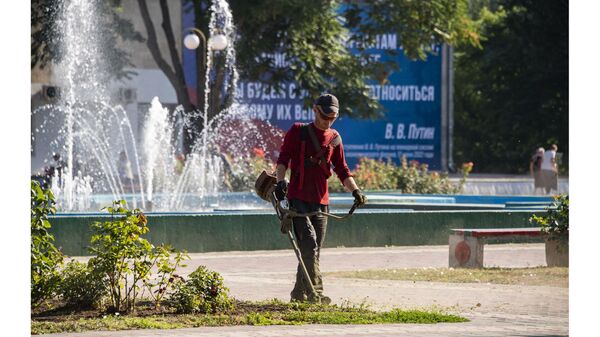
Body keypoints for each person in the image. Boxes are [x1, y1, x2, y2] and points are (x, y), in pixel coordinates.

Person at [274, 93, 367, 304]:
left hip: (322, 203)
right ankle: (316, 294)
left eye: (332, 118)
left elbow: (342, 170)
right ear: (315, 110)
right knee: (309, 244)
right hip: (297, 199)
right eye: (325, 116)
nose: (328, 121)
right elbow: (282, 160)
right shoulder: (298, 131)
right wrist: (281, 182)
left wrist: (356, 191)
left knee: (312, 251)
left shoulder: (335, 138)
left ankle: (298, 295)